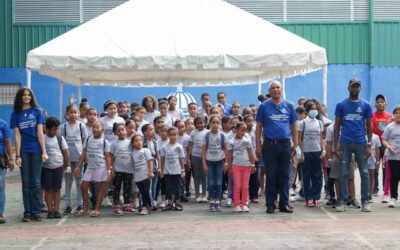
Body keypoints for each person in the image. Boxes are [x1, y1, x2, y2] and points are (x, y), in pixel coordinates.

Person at [255, 80, 298, 214]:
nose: (275, 90)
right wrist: (258, 145)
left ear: (282, 89)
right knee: (271, 176)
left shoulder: (289, 105)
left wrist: (296, 143)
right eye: (273, 88)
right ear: (269, 90)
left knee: (284, 175)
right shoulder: (263, 106)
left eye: (278, 87)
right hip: (269, 145)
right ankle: (270, 204)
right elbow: (259, 127)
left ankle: (284, 204)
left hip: (285, 145)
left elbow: (293, 125)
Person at [333, 78, 372, 212]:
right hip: (345, 143)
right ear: (348, 88)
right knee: (343, 173)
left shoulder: (366, 105)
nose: (355, 88)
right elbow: (337, 125)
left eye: (357, 86)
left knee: (365, 173)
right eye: (353, 86)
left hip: (361, 143)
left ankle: (365, 201)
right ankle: (343, 201)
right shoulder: (341, 105)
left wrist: (369, 144)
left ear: (360, 88)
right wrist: (336, 144)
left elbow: (369, 125)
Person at [11, 87, 48, 222]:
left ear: (32, 97)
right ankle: (27, 212)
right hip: (24, 152)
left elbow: (40, 133)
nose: (26, 97)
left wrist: (44, 151)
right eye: (24, 95)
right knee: (26, 183)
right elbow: (17, 135)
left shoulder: (37, 111)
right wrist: (18, 155)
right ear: (20, 97)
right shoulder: (15, 114)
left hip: (37, 151)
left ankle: (36, 212)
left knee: (36, 182)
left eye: (28, 95)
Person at [74, 122, 112, 217]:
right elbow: (83, 154)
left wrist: (109, 169)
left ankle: (97, 209)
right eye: (93, 127)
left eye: (97, 127)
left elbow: (107, 157)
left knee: (99, 189)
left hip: (100, 167)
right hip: (90, 167)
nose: (95, 129)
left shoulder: (104, 142)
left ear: (102, 129)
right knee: (83, 186)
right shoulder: (88, 139)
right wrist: (78, 166)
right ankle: (85, 209)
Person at [60, 104, 88, 215]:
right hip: (67, 159)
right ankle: (68, 205)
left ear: (78, 114)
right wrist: (64, 158)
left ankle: (80, 204)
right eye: (71, 112)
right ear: (67, 114)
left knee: (79, 181)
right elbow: (61, 142)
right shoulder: (64, 127)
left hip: (79, 158)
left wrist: (84, 157)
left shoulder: (82, 126)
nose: (73, 114)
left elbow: (85, 141)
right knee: (68, 181)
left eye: (75, 112)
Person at [298, 102, 325, 207]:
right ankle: (308, 198)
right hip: (306, 153)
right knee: (306, 176)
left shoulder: (319, 123)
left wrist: (323, 151)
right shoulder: (302, 123)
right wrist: (301, 153)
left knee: (317, 176)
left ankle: (316, 197)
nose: (315, 111)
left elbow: (321, 138)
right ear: (307, 110)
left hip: (317, 152)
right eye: (312, 109)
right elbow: (299, 139)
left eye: (316, 108)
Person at [43, 117, 70, 219]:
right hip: (46, 168)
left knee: (57, 189)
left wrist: (67, 166)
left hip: (58, 166)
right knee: (48, 190)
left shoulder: (60, 138)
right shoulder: (43, 138)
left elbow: (66, 153)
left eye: (57, 129)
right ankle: (50, 210)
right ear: (47, 129)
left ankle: (56, 210)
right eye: (54, 129)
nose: (56, 131)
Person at [227, 122, 256, 212]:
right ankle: (237, 204)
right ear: (236, 130)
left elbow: (250, 153)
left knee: (245, 186)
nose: (243, 133)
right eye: (241, 130)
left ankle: (244, 203)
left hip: (247, 166)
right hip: (236, 166)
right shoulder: (231, 141)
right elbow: (229, 155)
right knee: (237, 185)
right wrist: (229, 166)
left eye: (245, 131)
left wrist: (253, 164)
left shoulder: (247, 140)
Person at [202, 115, 227, 212]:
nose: (215, 125)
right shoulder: (207, 135)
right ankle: (212, 201)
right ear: (210, 123)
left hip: (220, 161)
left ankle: (218, 201)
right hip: (209, 162)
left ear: (220, 124)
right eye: (213, 123)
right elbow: (204, 150)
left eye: (217, 123)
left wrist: (226, 163)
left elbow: (225, 149)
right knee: (211, 183)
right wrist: (204, 163)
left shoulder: (222, 135)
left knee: (219, 182)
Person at [110, 123, 135, 215]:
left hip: (129, 169)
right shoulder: (113, 143)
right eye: (118, 131)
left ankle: (127, 204)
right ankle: (116, 206)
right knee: (117, 188)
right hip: (117, 170)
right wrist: (111, 168)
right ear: (115, 133)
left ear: (126, 130)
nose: (121, 132)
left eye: (122, 130)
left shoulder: (130, 143)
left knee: (127, 188)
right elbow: (110, 156)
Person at [372, 94, 393, 202]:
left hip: (386, 146)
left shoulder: (390, 116)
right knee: (375, 167)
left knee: (386, 169)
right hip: (375, 146)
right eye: (378, 102)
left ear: (385, 104)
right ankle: (375, 189)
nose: (380, 103)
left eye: (382, 102)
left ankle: (386, 190)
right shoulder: (372, 116)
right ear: (375, 104)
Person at [160, 127, 185, 211]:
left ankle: (177, 203)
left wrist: (182, 170)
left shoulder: (179, 147)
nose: (172, 137)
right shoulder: (164, 147)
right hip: (167, 171)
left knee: (177, 187)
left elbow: (181, 159)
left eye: (174, 135)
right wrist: (162, 171)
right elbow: (162, 159)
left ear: (177, 135)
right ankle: (170, 203)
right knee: (168, 187)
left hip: (177, 171)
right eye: (170, 135)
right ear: (168, 135)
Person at [382, 105, 400, 208]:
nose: (398, 115)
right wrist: (389, 147)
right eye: (396, 113)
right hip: (393, 157)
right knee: (394, 177)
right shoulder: (390, 127)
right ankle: (393, 198)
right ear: (394, 114)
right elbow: (384, 139)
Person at [188, 115, 209, 203]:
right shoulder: (193, 133)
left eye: (202, 123)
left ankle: (204, 194)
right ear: (195, 124)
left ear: (205, 123)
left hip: (206, 157)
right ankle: (197, 194)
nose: (200, 125)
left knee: (204, 175)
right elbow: (191, 145)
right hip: (195, 156)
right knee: (196, 175)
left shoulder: (208, 132)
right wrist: (189, 157)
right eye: (198, 123)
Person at [132, 135, 154, 215]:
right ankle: (149, 205)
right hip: (137, 177)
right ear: (133, 144)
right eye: (136, 141)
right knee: (142, 192)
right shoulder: (132, 152)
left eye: (140, 140)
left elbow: (150, 161)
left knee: (146, 191)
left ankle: (145, 206)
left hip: (146, 175)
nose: (139, 142)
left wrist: (150, 172)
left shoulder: (146, 150)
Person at [0, 118, 14, 223]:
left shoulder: (2, 123)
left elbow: (8, 141)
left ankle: (0, 213)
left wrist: (10, 158)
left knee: (0, 188)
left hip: (0, 159)